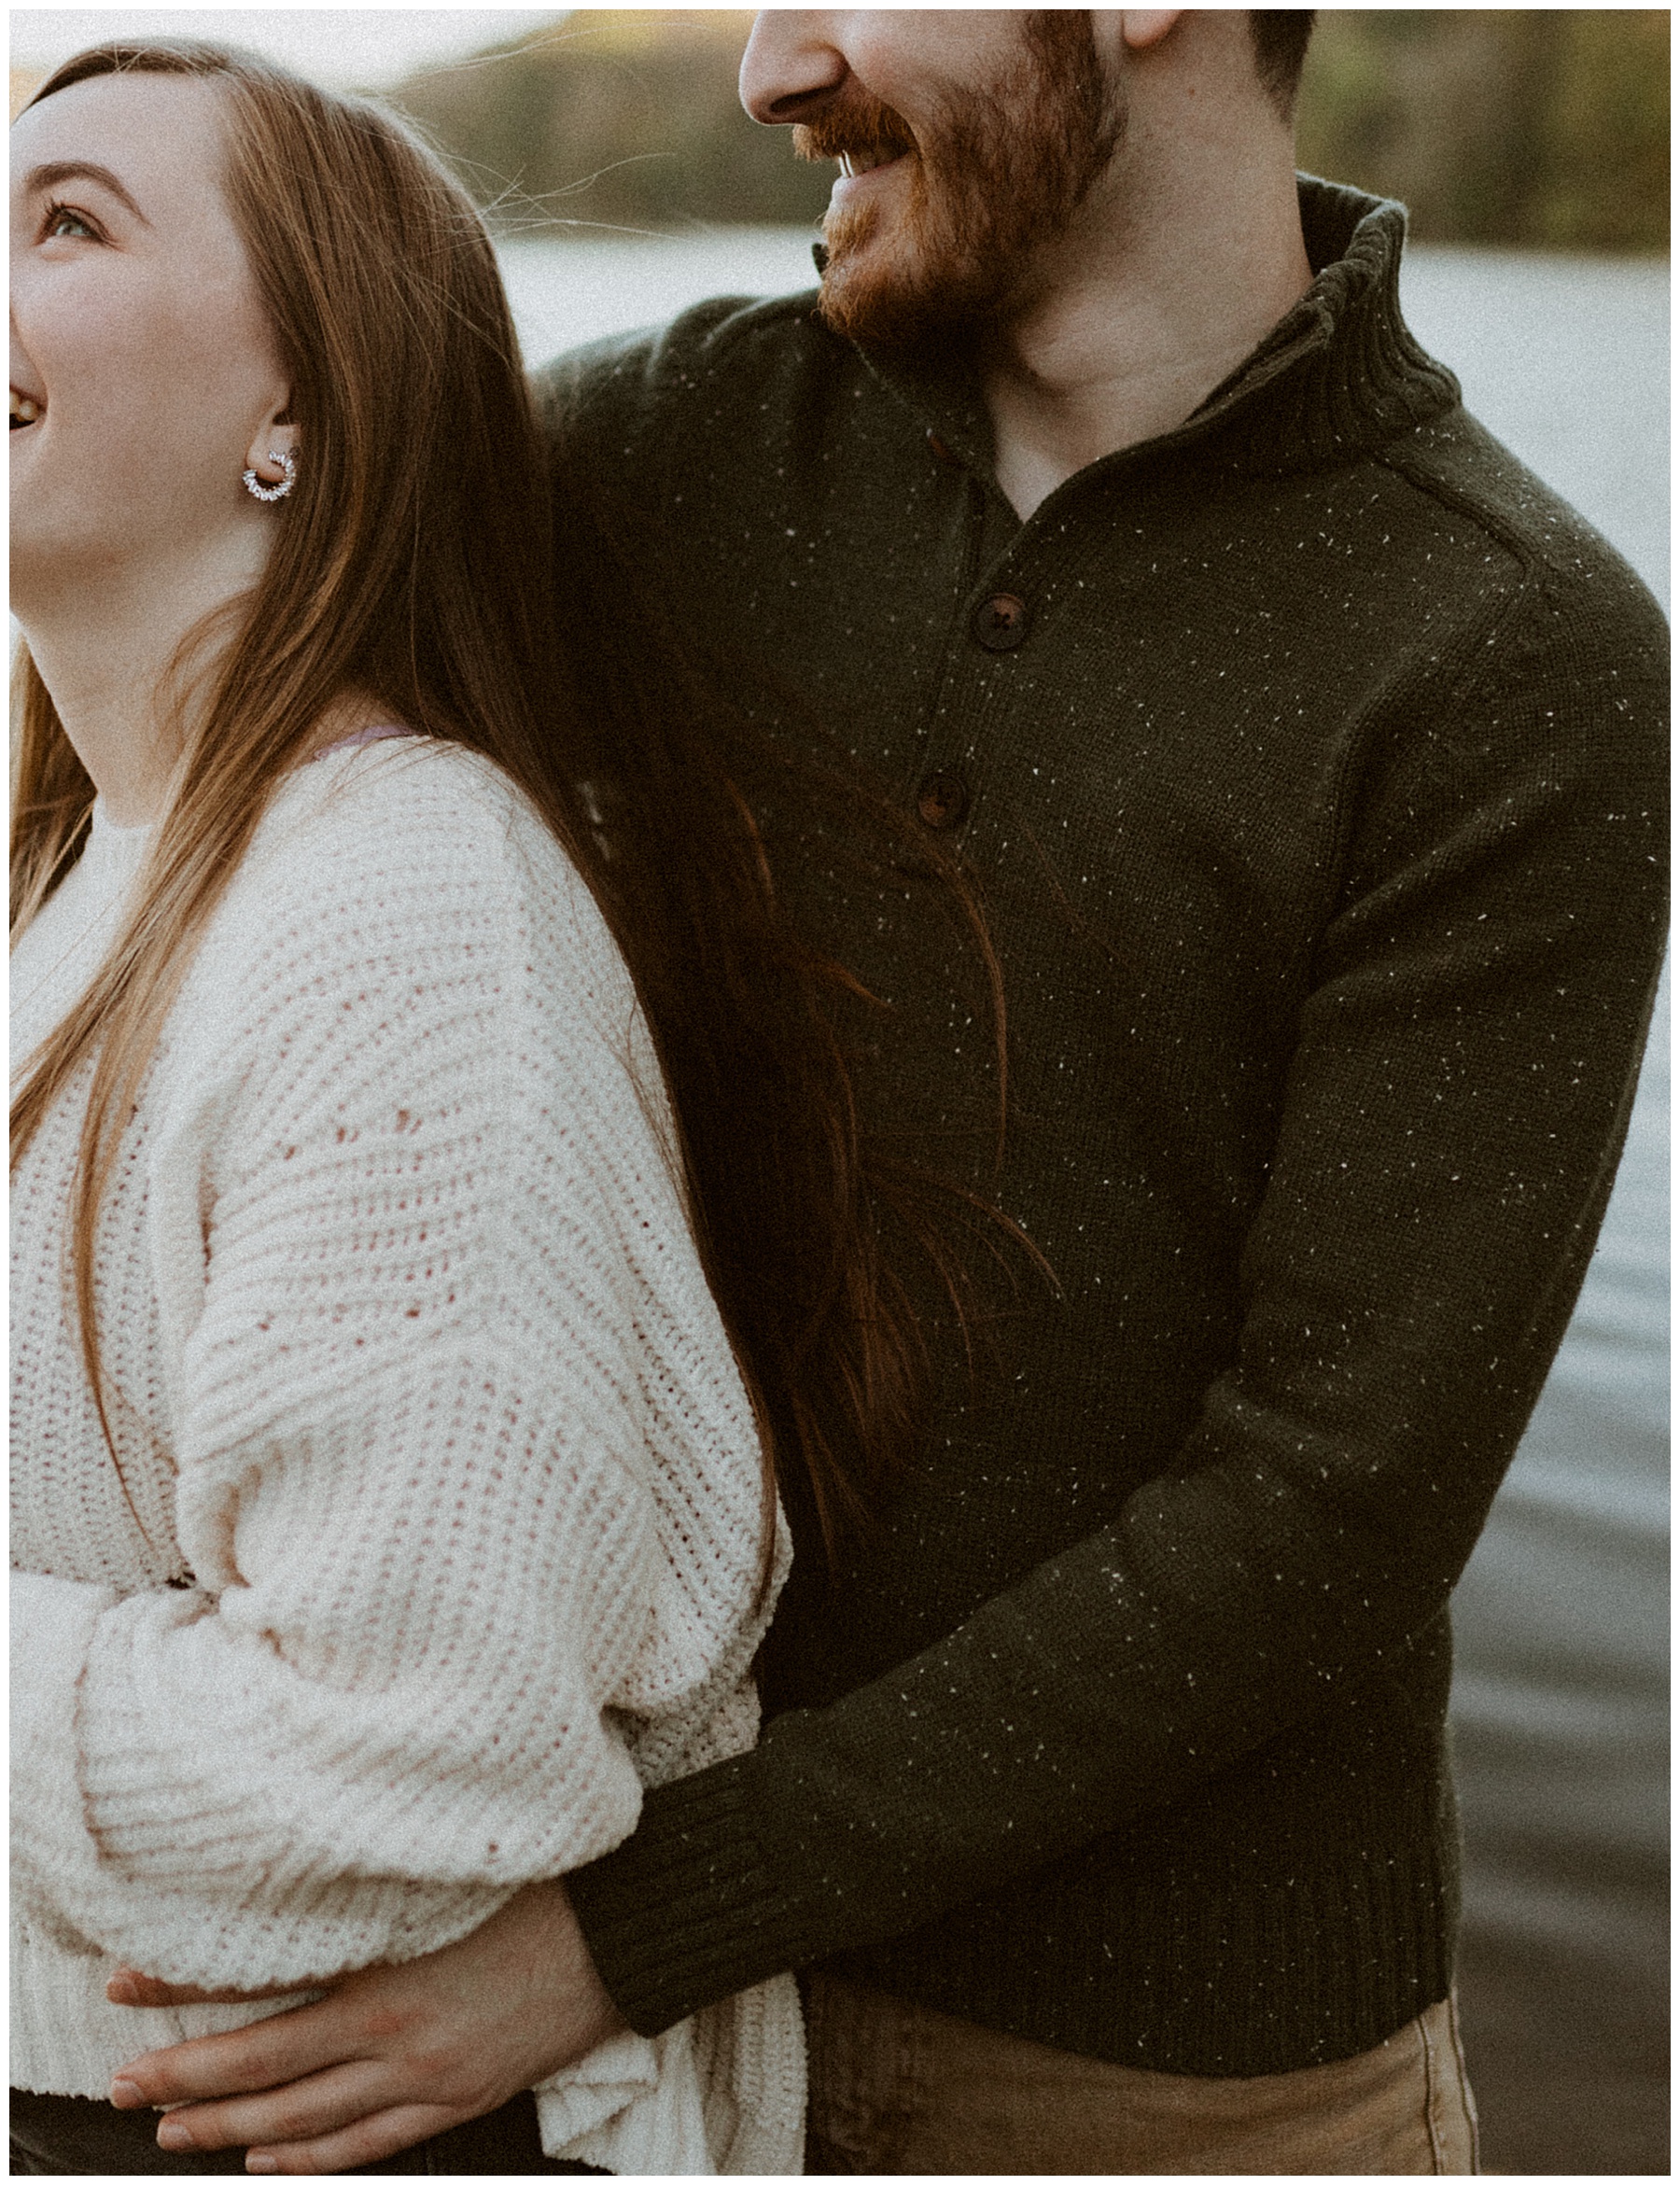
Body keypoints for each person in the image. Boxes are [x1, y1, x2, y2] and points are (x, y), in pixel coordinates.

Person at [101, 9, 1669, 2177]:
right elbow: (193, 692)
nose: (770, 67)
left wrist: (628, 1933)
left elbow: (1335, 1507)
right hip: (600, 2007)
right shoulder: (654, 448)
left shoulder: (1514, 655)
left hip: (1159, 2074)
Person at [7, 34, 983, 2178]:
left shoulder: (398, 917)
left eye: (67, 221)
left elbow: (409, 1750)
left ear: (299, 411)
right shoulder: (86, 863)